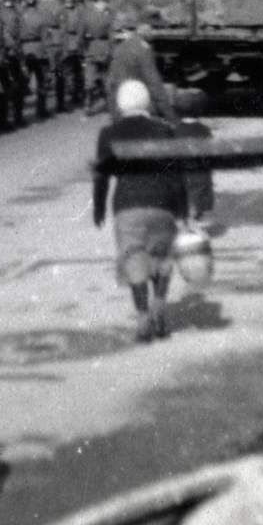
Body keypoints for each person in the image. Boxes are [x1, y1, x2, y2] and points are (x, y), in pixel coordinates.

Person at [93, 80, 189, 342]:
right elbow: (176, 174)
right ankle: (159, 305)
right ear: (147, 102)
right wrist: (182, 209)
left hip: (127, 206)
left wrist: (99, 207)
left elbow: (101, 177)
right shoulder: (164, 131)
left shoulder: (108, 133)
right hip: (162, 204)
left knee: (134, 259)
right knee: (161, 258)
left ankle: (143, 317)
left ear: (121, 105)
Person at [106, 22, 173, 121]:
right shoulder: (143, 49)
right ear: (147, 34)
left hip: (116, 102)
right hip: (131, 102)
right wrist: (170, 115)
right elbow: (154, 82)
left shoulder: (122, 45)